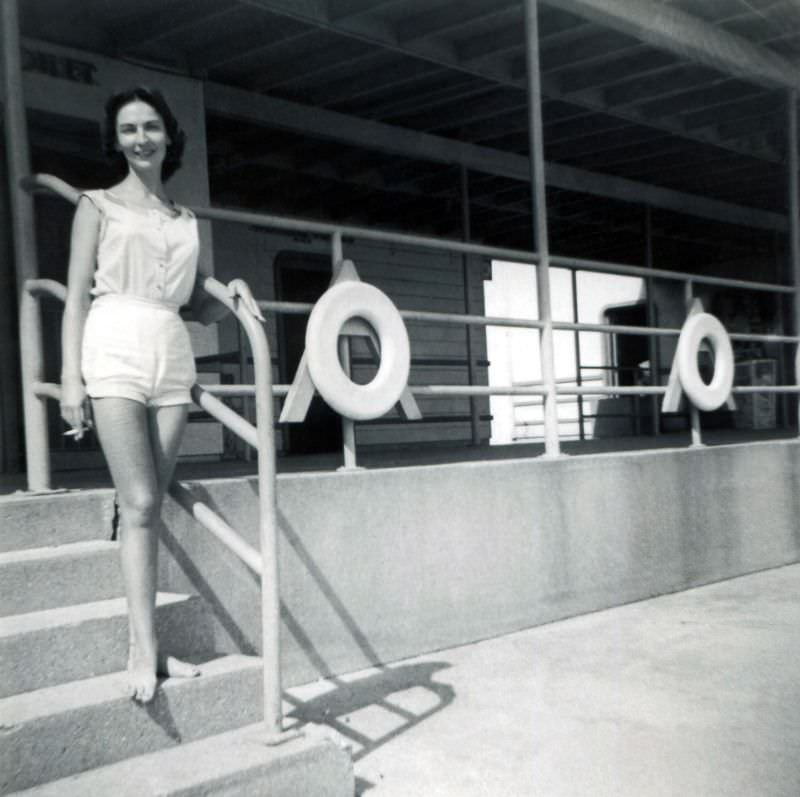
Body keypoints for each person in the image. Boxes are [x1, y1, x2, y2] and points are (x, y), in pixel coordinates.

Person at [60, 86, 264, 703]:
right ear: (115, 140)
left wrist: (232, 292)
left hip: (171, 350)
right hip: (113, 343)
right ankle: (144, 648)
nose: (141, 138)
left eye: (151, 127)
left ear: (170, 136)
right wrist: (71, 378)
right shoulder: (95, 205)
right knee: (142, 499)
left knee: (151, 508)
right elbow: (73, 298)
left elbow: (196, 307)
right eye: (128, 129)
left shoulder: (186, 221)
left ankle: (145, 643)